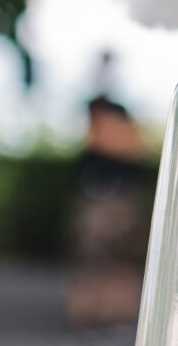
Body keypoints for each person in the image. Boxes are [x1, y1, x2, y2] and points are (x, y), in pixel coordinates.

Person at [65, 55, 155, 328]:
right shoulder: (93, 108)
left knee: (121, 258)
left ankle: (119, 315)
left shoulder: (117, 110)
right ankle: (90, 314)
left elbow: (131, 148)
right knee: (94, 258)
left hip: (119, 196)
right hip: (98, 195)